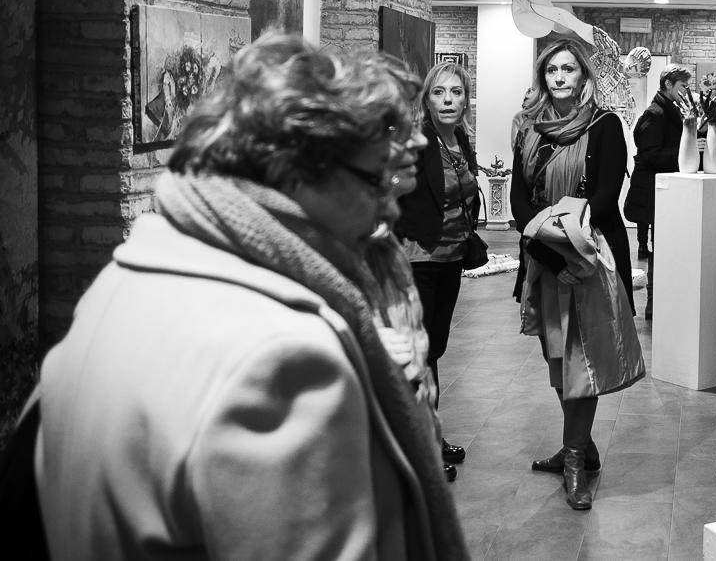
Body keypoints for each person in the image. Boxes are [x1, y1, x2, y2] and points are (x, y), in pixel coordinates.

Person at [32, 35, 469, 559]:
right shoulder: (283, 357)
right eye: (376, 177)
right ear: (293, 171)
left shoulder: (131, 272)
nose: (391, 205)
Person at [510, 38, 644, 510]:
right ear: (542, 78)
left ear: (584, 76)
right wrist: (550, 253)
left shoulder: (605, 125)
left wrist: (572, 249)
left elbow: (605, 198)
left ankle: (573, 463)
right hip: (544, 259)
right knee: (557, 359)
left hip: (591, 257)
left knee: (581, 363)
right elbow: (519, 200)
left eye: (568, 69)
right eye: (552, 70)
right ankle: (582, 447)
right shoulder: (529, 129)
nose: (560, 77)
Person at [395, 60, 480, 481]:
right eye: (439, 92)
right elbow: (393, 197)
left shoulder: (460, 139)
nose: (448, 101)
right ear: (426, 99)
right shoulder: (417, 142)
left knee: (435, 351)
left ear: (466, 100)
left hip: (450, 259)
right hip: (419, 260)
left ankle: (431, 433)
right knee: (420, 354)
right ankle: (420, 449)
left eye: (456, 92)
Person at [623, 63, 694, 320]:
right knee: (660, 246)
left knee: (662, 245)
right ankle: (654, 301)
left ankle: (660, 298)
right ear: (668, 84)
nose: (686, 91)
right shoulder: (656, 113)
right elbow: (650, 155)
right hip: (654, 192)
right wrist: (687, 149)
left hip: (660, 191)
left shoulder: (666, 110)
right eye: (683, 85)